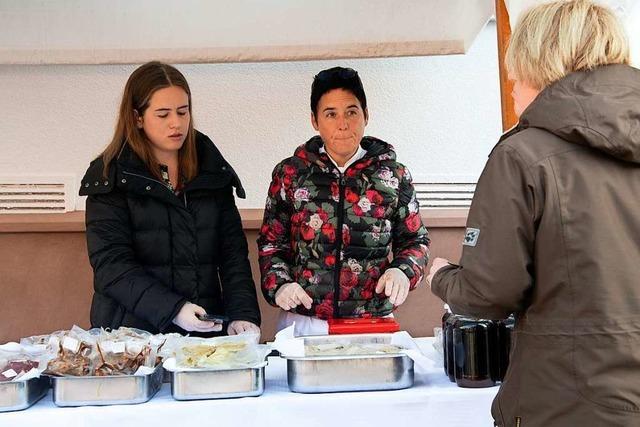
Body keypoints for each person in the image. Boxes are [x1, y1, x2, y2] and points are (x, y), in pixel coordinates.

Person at [427, 1, 639, 425]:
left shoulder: (524, 156)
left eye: (515, 73)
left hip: (565, 400)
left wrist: (442, 278)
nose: (510, 84)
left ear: (541, 64)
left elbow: (489, 294)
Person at [80, 61, 261, 337]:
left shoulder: (211, 168)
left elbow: (232, 254)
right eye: (163, 114)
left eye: (183, 112)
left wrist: (242, 314)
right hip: (131, 337)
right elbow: (112, 266)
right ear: (137, 117)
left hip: (204, 333)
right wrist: (174, 309)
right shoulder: (111, 177)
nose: (176, 123)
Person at [258, 66, 430, 336]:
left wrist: (403, 271)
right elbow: (272, 243)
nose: (343, 124)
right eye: (331, 114)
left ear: (366, 115)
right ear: (315, 120)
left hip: (371, 322)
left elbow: (415, 241)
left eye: (352, 112)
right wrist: (280, 284)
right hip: (304, 321)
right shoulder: (290, 174)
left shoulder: (393, 175)